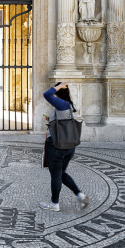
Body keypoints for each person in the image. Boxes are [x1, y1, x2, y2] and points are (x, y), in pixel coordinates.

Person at [40, 82, 89, 211]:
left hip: (57, 145)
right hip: (70, 146)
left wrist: (60, 85)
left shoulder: (61, 104)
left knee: (56, 174)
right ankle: (80, 195)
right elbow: (64, 121)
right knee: (61, 173)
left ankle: (54, 204)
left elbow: (47, 94)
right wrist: (51, 120)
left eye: (56, 91)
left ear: (58, 92)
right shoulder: (72, 105)